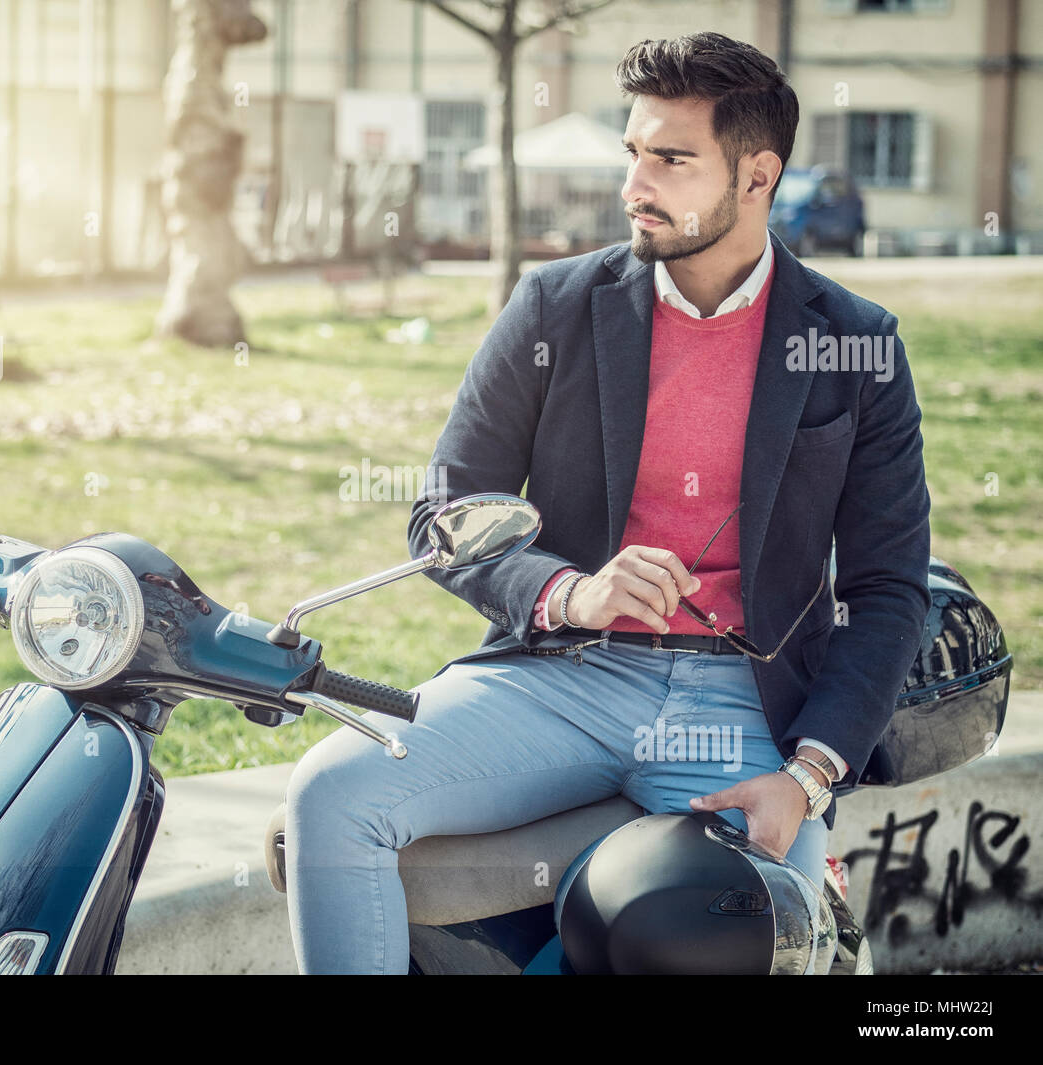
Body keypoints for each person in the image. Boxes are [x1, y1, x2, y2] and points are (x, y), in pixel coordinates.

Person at [284, 31, 931, 975]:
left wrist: (809, 776)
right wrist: (569, 593)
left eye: (672, 158)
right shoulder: (553, 306)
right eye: (634, 152)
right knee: (330, 796)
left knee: (769, 940)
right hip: (563, 674)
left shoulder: (858, 344)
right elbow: (447, 511)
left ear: (758, 177)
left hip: (742, 705)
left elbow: (888, 590)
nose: (638, 183)